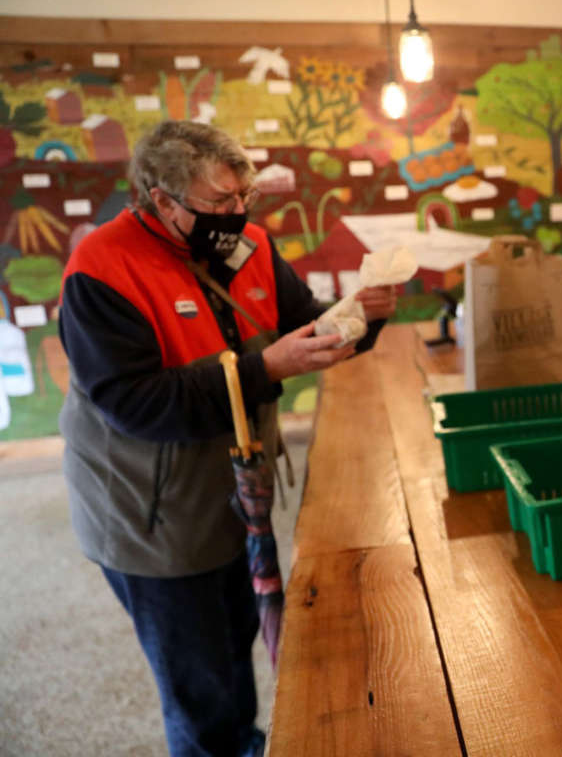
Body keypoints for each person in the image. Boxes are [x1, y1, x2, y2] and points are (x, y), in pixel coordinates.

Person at [58, 121, 397, 757]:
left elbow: (304, 328)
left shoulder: (251, 247)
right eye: (219, 202)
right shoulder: (100, 270)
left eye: (245, 197)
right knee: (199, 680)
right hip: (149, 511)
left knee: (238, 634)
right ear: (161, 199)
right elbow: (136, 403)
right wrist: (264, 368)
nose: (237, 214)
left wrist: (361, 316)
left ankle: (243, 741)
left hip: (237, 492)